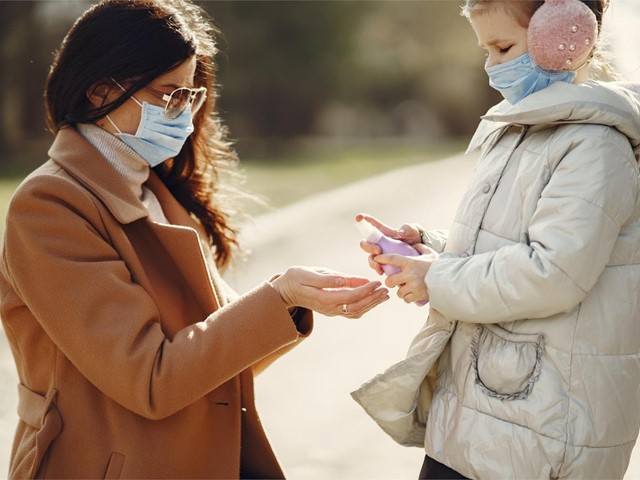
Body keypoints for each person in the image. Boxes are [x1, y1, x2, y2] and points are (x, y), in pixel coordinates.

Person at [0, 0, 390, 478]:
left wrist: (293, 302)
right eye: (168, 95)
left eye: (190, 95)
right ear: (101, 91)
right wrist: (277, 296)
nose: (183, 113)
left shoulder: (155, 191)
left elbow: (212, 368)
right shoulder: (49, 205)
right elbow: (151, 380)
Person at [352, 0, 640, 478]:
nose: (491, 65)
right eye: (485, 49)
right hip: (488, 412)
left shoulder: (592, 145)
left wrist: (437, 280)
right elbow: (502, 248)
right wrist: (429, 248)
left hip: (540, 429)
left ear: (566, 35)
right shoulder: (520, 131)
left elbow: (553, 273)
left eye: (503, 47)